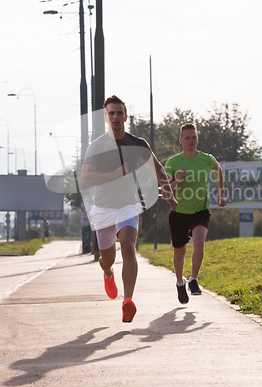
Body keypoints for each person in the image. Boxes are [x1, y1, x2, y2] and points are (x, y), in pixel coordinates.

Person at [81, 95, 177, 323]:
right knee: (108, 259)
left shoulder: (138, 144)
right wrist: (115, 174)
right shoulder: (97, 147)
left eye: (119, 113)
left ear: (125, 116)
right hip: (103, 209)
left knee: (128, 247)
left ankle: (128, 301)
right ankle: (107, 273)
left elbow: (158, 169)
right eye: (111, 113)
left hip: (128, 206)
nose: (115, 117)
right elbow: (85, 178)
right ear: (106, 117)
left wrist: (169, 194)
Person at [164, 123, 226, 304]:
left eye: (194, 137)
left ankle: (193, 280)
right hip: (179, 212)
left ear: (197, 139)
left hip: (200, 210)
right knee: (179, 251)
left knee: (199, 241)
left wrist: (221, 193)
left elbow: (218, 170)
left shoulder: (206, 159)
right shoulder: (173, 162)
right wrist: (177, 180)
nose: (191, 141)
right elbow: (165, 189)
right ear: (181, 140)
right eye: (187, 138)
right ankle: (179, 282)